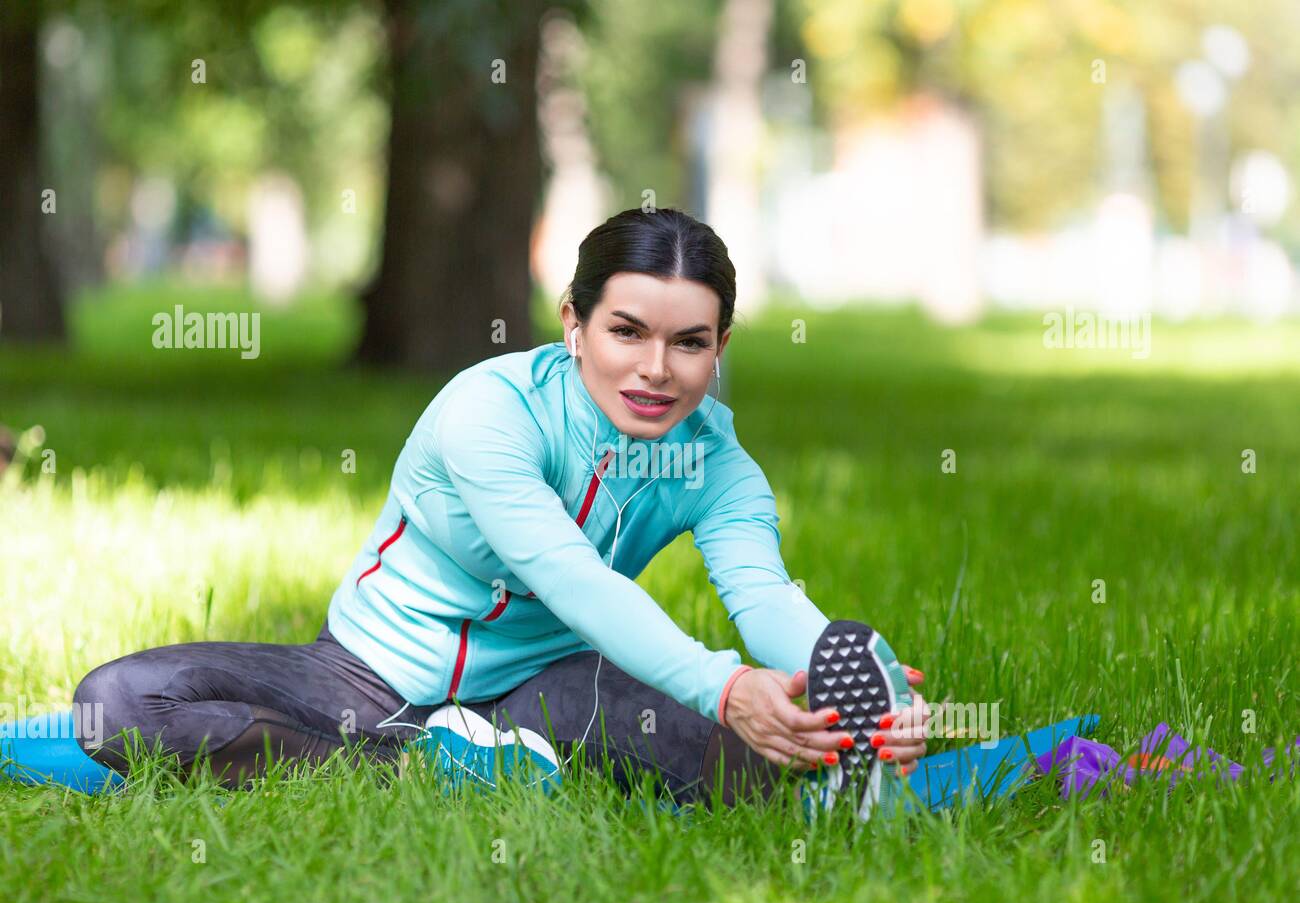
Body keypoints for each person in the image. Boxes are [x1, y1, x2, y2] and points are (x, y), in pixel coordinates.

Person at [3, 207, 929, 813]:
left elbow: (761, 594)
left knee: (760, 772)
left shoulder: (717, 462)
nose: (656, 369)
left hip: (544, 687)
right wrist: (723, 685)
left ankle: (835, 767)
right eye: (626, 332)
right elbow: (574, 582)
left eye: (689, 342)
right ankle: (426, 761)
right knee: (116, 706)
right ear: (573, 322)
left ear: (721, 345)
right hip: (362, 676)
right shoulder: (489, 411)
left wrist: (846, 680)